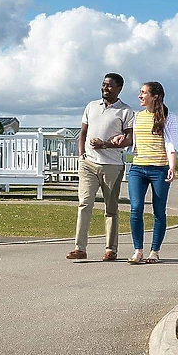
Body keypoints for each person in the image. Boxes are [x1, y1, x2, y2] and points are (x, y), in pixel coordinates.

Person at [66, 73, 134, 261]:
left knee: (110, 208)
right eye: (104, 85)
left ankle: (111, 249)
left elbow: (128, 140)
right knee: (84, 204)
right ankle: (80, 248)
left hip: (112, 166)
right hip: (88, 164)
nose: (105, 88)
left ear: (119, 88)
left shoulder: (126, 111)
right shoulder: (91, 106)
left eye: (110, 86)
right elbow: (83, 133)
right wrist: (81, 156)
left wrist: (105, 144)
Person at [124, 81, 177, 264]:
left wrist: (172, 167)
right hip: (137, 168)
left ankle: (154, 251)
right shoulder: (137, 116)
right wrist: (120, 139)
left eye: (143, 93)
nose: (140, 96)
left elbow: (171, 145)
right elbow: (132, 140)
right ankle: (138, 250)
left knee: (159, 212)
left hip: (159, 170)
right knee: (135, 209)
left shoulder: (169, 117)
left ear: (154, 96)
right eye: (140, 92)